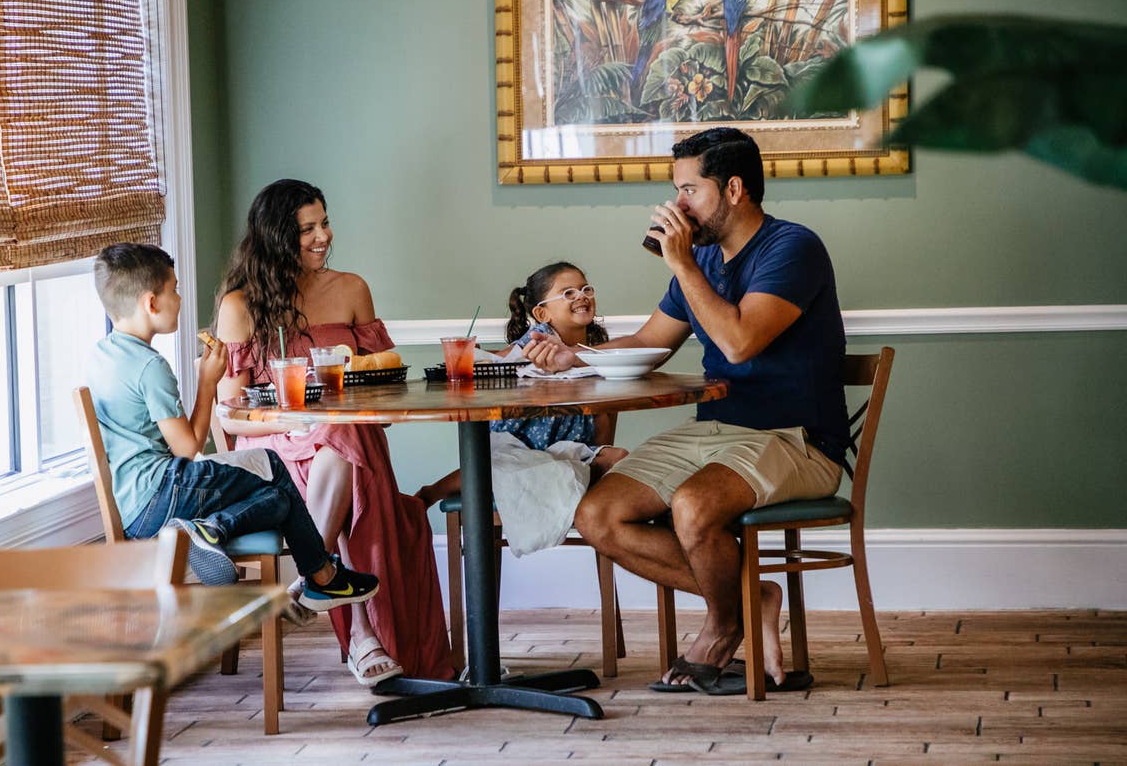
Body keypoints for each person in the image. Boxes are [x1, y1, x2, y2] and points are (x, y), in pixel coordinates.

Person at [522, 127, 849, 695]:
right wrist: (572, 354)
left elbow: (739, 342)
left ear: (735, 189)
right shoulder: (699, 259)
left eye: (689, 190)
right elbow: (652, 339)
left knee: (694, 506)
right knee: (597, 514)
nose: (677, 206)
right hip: (719, 432)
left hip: (798, 439)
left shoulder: (793, 247)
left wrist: (683, 265)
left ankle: (723, 629)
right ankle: (755, 594)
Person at [214, 179, 454, 687]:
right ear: (277, 237)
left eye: (324, 222)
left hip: (346, 440)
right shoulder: (241, 305)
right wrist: (296, 419)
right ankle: (340, 607)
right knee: (344, 446)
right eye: (307, 228)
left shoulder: (351, 289)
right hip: (275, 447)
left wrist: (348, 405)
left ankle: (315, 585)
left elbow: (384, 391)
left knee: (344, 439)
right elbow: (231, 415)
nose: (323, 236)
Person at [85, 242, 380, 614]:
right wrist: (208, 383)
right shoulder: (150, 367)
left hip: (134, 507)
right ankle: (318, 575)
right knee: (272, 465)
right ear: (151, 303)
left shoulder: (101, 355)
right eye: (173, 289)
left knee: (278, 497)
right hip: (165, 492)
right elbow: (188, 448)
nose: (179, 298)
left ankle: (217, 532)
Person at [414, 261, 630, 507]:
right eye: (568, 293)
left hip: (573, 443)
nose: (581, 297)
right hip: (525, 445)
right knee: (502, 466)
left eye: (586, 289)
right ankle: (431, 493)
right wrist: (479, 357)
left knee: (616, 454)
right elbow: (507, 354)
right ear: (542, 314)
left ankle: (595, 515)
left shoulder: (594, 346)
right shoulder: (539, 341)